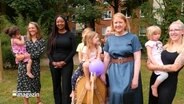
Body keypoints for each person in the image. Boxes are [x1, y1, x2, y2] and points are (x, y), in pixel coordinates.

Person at [103, 12, 143, 104]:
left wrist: (135, 78)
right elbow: (106, 58)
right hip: (114, 71)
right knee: (115, 94)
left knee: (127, 94)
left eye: (120, 22)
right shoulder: (110, 39)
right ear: (113, 24)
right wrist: (103, 74)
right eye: (115, 23)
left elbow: (137, 58)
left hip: (129, 70)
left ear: (125, 23)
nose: (118, 25)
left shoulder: (133, 38)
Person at [147, 20, 184, 104]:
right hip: (155, 79)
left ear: (182, 31)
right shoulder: (165, 46)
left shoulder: (183, 49)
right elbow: (149, 63)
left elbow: (175, 68)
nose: (173, 32)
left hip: (169, 83)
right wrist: (152, 65)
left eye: (176, 30)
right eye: (171, 30)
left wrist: (155, 67)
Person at [13, 22, 46, 104]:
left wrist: (25, 56)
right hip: (23, 65)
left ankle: (38, 100)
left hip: (35, 65)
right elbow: (15, 47)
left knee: (36, 82)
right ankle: (26, 102)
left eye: (33, 28)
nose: (31, 29)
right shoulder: (24, 38)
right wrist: (16, 55)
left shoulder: (42, 40)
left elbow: (40, 53)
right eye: (30, 28)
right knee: (25, 84)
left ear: (37, 29)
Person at [47, 15, 77, 104]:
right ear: (55, 23)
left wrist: (64, 62)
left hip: (67, 64)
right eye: (58, 22)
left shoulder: (71, 35)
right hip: (53, 64)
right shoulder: (52, 35)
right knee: (56, 85)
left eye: (61, 21)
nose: (60, 23)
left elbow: (73, 50)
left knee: (66, 85)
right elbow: (48, 51)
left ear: (65, 22)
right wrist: (53, 62)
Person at [145, 25, 168, 97]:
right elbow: (149, 54)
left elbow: (160, 50)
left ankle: (158, 86)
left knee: (165, 73)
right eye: (155, 34)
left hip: (161, 59)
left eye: (159, 33)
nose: (157, 35)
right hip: (156, 60)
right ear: (150, 35)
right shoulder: (149, 43)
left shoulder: (159, 42)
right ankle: (154, 86)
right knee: (165, 74)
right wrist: (154, 63)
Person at [70, 27, 92, 102]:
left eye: (89, 34)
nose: (87, 36)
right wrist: (82, 64)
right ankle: (73, 91)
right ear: (83, 35)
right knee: (74, 77)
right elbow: (80, 58)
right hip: (83, 65)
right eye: (86, 34)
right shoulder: (80, 45)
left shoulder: (93, 44)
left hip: (91, 66)